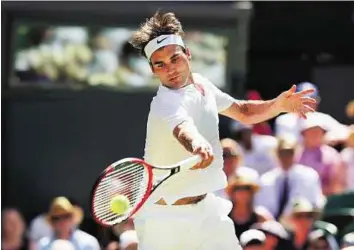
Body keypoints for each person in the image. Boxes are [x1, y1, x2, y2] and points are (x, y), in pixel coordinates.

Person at [129, 11, 316, 250]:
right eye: (160, 64)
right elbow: (182, 128)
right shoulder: (165, 103)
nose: (170, 69)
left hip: (206, 210)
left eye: (175, 59)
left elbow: (243, 111)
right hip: (165, 220)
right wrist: (197, 144)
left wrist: (278, 105)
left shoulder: (201, 85)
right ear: (153, 70)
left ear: (188, 54)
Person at [255, 136, 323, 219]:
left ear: (297, 152)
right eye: (282, 152)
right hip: (271, 227)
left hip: (301, 225)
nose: (285, 157)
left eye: (289, 152)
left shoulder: (309, 176)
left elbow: (316, 204)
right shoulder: (266, 179)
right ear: (276, 154)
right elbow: (259, 207)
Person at [226, 172, 273, 239]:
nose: (243, 193)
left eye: (247, 189)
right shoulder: (224, 216)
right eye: (238, 189)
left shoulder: (261, 217)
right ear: (232, 194)